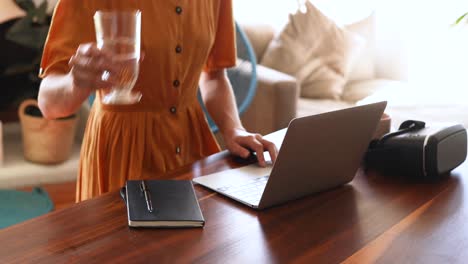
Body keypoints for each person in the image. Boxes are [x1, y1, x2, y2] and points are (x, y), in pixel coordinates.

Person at [38, 0, 278, 202]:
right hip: (119, 154)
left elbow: (214, 75)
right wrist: (75, 82)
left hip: (190, 149)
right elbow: (48, 103)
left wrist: (233, 128)